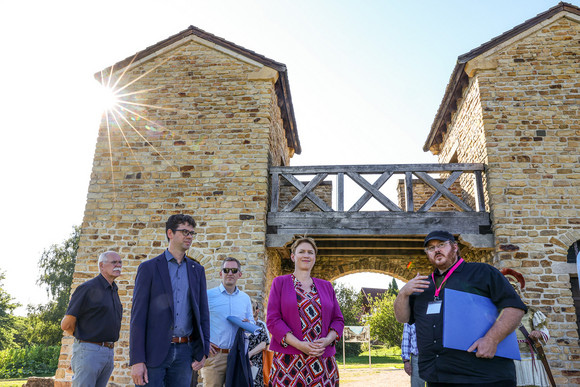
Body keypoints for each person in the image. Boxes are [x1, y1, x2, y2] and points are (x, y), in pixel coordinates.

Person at [394, 230, 527, 387]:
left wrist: (492, 339)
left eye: (441, 245)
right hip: (438, 377)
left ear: (455, 247)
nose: (436, 250)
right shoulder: (422, 285)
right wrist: (403, 293)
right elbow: (402, 318)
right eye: (430, 248)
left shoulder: (483, 272)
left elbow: (515, 308)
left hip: (484, 377)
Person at [130, 214, 210, 387]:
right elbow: (138, 317)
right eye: (184, 232)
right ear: (170, 233)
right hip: (154, 352)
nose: (189, 236)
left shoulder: (198, 271)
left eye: (192, 233)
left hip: (185, 353)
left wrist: (203, 351)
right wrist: (137, 360)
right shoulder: (148, 268)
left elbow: (203, 313)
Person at [267, 236, 344, 386]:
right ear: (293, 256)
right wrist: (299, 344)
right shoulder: (280, 283)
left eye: (310, 252)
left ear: (315, 258)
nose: (306, 255)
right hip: (288, 362)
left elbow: (338, 320)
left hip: (322, 361)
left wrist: (327, 340)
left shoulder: (326, 286)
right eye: (301, 251)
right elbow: (273, 320)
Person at [61, 251, 123, 387]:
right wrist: (85, 342)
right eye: (114, 262)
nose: (118, 265)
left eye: (120, 262)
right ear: (101, 266)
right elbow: (66, 324)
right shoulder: (87, 288)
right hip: (89, 352)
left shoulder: (113, 290)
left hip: (108, 352)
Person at [202, 257, 254, 387]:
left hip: (237, 356)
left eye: (234, 270)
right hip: (215, 357)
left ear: (239, 274)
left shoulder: (245, 298)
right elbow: (197, 322)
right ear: (221, 273)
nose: (230, 273)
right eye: (226, 270)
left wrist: (248, 324)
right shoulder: (208, 296)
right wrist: (204, 343)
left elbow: (252, 326)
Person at [501, 268, 552, 387]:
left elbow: (544, 331)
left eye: (513, 289)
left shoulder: (531, 311)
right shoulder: (496, 313)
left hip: (530, 356)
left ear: (518, 291)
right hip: (507, 358)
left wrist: (538, 333)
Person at [248, 301, 270, 387]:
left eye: (254, 309)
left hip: (257, 364)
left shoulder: (261, 325)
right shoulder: (242, 324)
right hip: (242, 362)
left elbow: (264, 343)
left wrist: (249, 354)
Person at [401, 323, 426, 387]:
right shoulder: (410, 317)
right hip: (417, 358)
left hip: (434, 357)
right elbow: (406, 339)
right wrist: (406, 361)